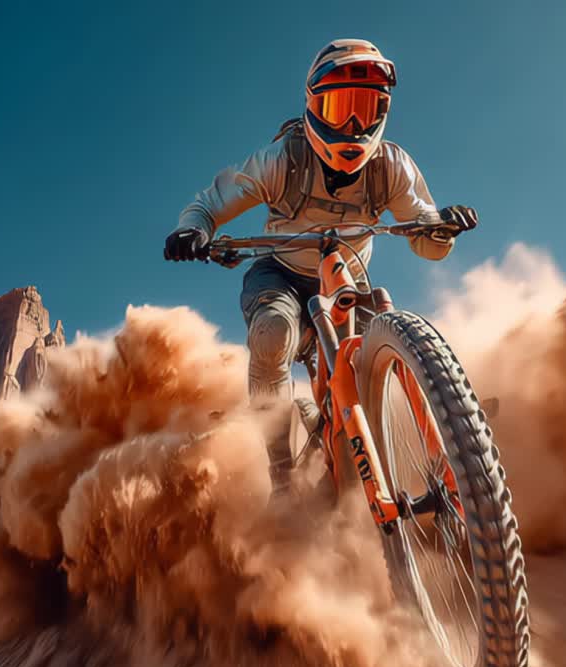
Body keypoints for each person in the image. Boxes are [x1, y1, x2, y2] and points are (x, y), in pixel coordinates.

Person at [164, 38, 478, 404]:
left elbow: (426, 239)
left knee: (374, 359)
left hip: (348, 277)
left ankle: (437, 420)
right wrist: (194, 230)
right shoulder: (282, 159)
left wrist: (442, 230)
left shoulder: (390, 166)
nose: (352, 125)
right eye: (338, 108)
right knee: (273, 332)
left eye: (365, 109)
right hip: (280, 273)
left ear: (384, 111)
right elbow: (211, 203)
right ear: (312, 106)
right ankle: (278, 456)